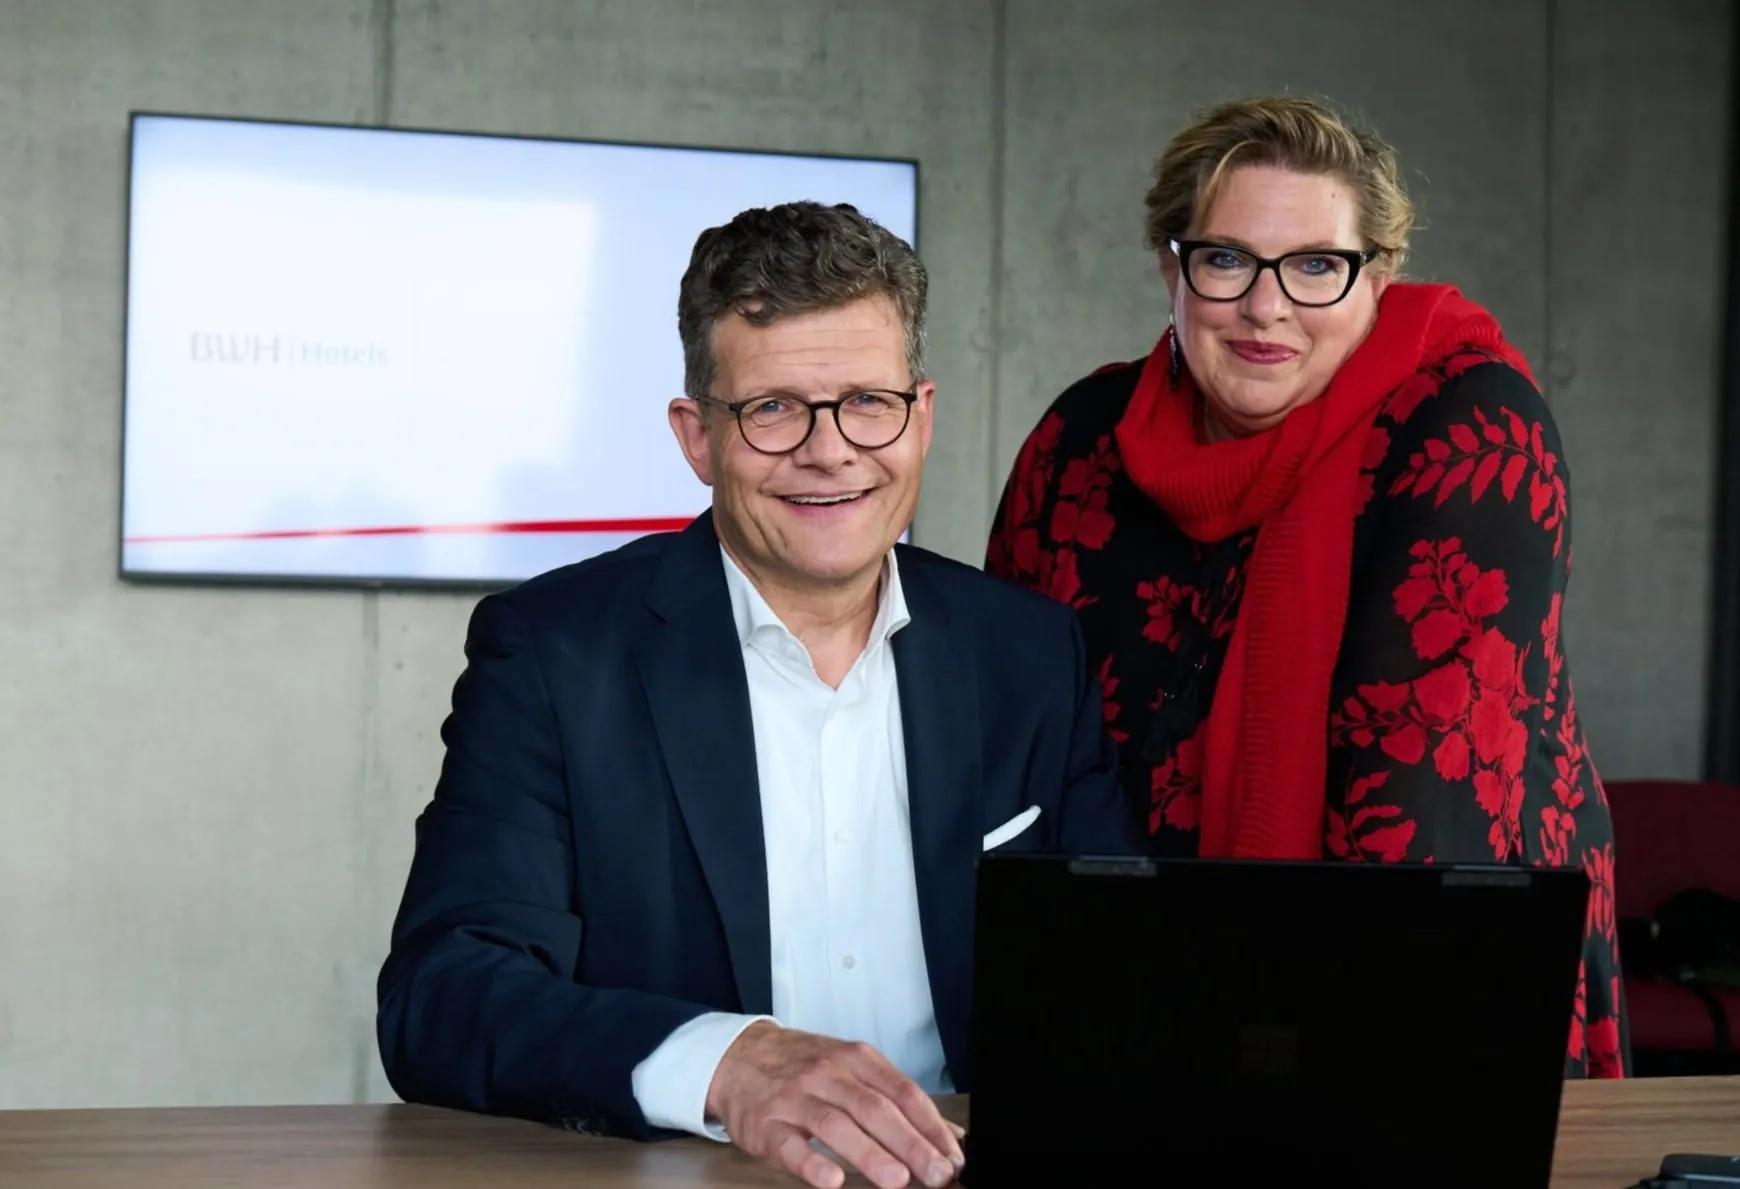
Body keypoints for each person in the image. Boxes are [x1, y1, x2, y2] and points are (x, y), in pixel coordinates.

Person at [377, 200, 1130, 1188]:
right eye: (773, 408)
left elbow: (1119, 977)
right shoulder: (555, 654)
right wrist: (727, 1063)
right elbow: (443, 994)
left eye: (868, 401)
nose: (830, 449)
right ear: (698, 437)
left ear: (921, 416)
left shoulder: (1028, 653)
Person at [985, 96, 1627, 1077]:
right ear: (1171, 266)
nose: (1267, 307)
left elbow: (1421, 815)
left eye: (1318, 266)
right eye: (1227, 259)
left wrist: (1278, 1056)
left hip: (1419, 985)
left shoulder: (1468, 427)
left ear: (1380, 277)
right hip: (1114, 980)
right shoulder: (1082, 437)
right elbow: (1008, 739)